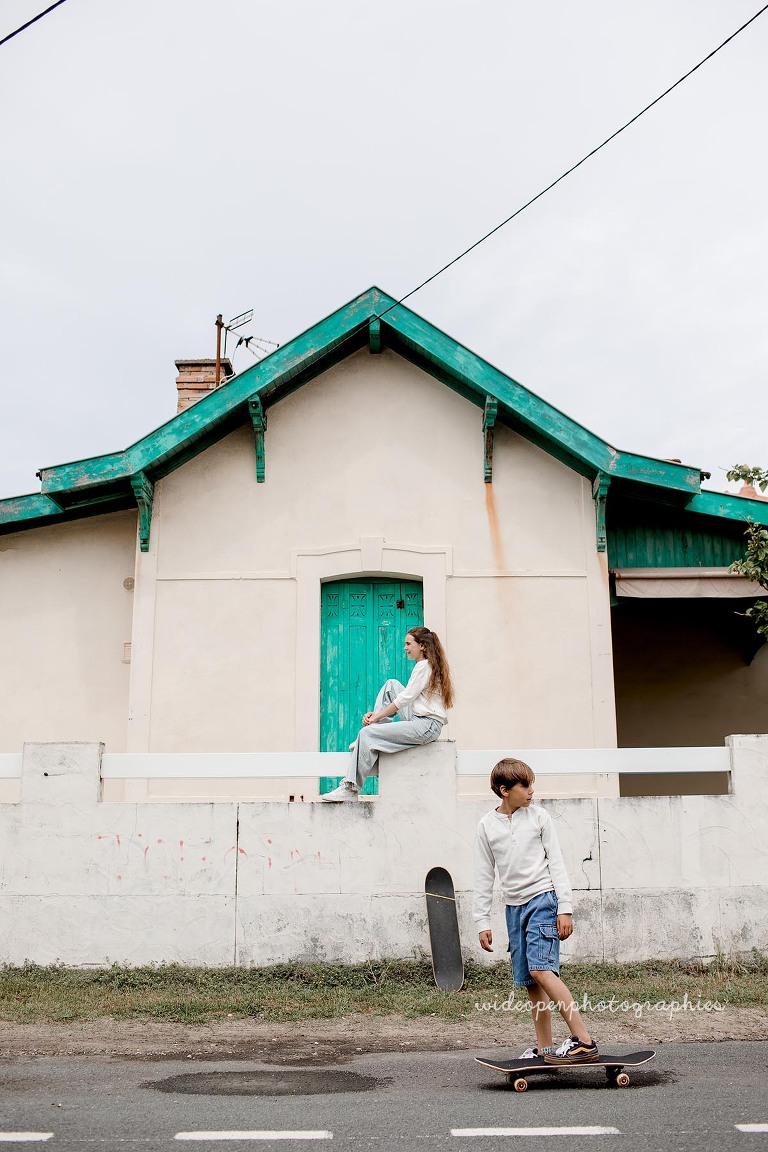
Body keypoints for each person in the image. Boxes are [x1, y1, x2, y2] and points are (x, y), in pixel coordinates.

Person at [473, 757, 599, 1064]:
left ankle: (584, 1040)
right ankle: (545, 1050)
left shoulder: (539, 817)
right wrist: (482, 920)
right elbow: (484, 875)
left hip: (543, 899)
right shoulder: (487, 826)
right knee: (531, 981)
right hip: (514, 908)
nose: (531, 791)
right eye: (525, 786)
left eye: (532, 785)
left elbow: (556, 862)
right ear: (505, 790)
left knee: (541, 969)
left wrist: (565, 908)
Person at [321, 625, 453, 802]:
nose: (405, 648)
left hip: (426, 725)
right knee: (391, 685)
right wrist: (377, 718)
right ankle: (374, 731)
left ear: (422, 646)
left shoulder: (423, 666)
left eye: (408, 644)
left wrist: (376, 716)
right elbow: (406, 698)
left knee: (366, 733)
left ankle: (350, 789)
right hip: (421, 720)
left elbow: (405, 699)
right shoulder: (425, 665)